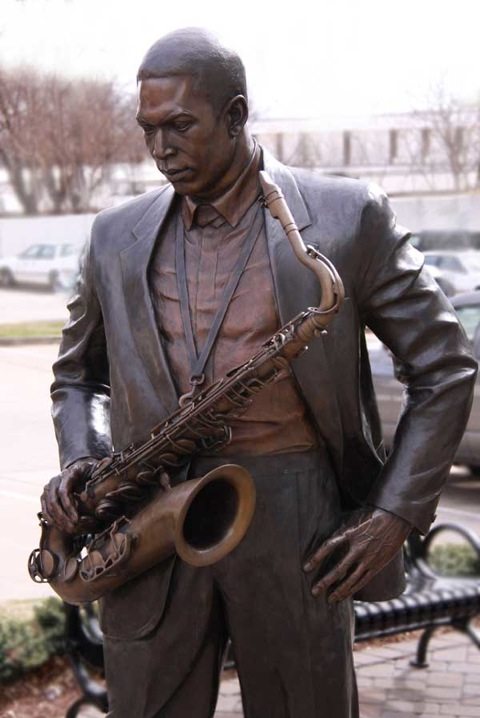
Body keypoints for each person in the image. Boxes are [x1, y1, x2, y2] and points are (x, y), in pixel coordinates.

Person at [40, 28, 477, 718]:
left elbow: (446, 368)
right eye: (148, 129)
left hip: (294, 520)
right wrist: (85, 460)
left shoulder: (345, 217)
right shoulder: (113, 234)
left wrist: (395, 513)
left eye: (180, 125)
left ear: (237, 115)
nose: (160, 150)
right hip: (147, 513)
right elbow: (77, 378)